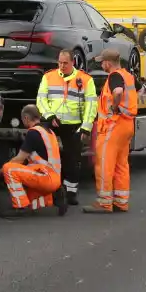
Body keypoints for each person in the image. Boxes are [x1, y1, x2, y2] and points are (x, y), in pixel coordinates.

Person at [35, 49, 98, 205]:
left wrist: (86, 126)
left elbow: (91, 105)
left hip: (73, 126)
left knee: (73, 159)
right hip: (53, 122)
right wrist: (49, 115)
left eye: (65, 63)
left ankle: (71, 193)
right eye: (60, 62)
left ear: (72, 63)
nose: (62, 66)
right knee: (46, 157)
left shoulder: (85, 79)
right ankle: (49, 189)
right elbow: (41, 99)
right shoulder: (48, 77)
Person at [84, 48, 138, 214]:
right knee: (121, 165)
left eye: (102, 61)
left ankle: (104, 202)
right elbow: (140, 90)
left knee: (104, 164)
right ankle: (121, 202)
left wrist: (115, 108)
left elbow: (118, 92)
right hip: (126, 124)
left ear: (108, 62)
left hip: (113, 125)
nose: (101, 64)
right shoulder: (128, 76)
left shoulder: (114, 76)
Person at [0, 104, 66, 217]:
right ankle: (55, 197)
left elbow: (19, 159)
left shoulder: (33, 133)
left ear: (26, 118)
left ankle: (20, 207)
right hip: (54, 178)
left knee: (8, 169)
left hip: (46, 177)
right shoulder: (49, 132)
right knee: (27, 197)